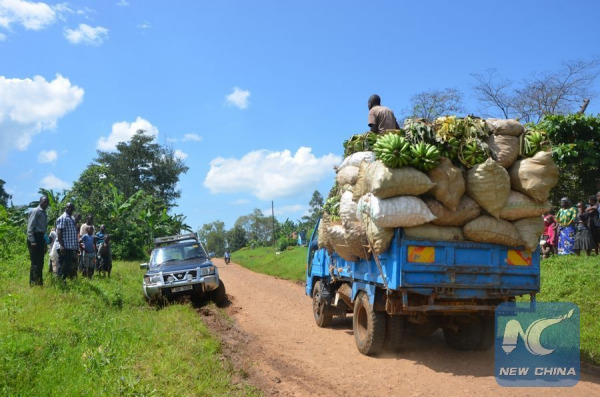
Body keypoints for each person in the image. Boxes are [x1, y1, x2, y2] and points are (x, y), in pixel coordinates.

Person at [26, 196, 49, 286]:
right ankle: (33, 283)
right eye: (44, 202)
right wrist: (32, 241)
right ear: (40, 201)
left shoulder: (43, 213)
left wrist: (44, 243)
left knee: (40, 262)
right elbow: (30, 228)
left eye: (47, 202)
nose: (45, 204)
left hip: (41, 238)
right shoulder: (36, 211)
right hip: (34, 238)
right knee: (35, 262)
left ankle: (39, 282)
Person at [56, 202, 78, 281]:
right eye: (68, 207)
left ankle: (63, 279)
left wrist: (76, 247)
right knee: (62, 264)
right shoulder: (63, 217)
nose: (70, 209)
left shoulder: (71, 218)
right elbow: (59, 232)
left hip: (70, 246)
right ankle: (59, 280)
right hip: (64, 246)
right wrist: (61, 245)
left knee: (67, 265)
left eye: (72, 208)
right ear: (66, 208)